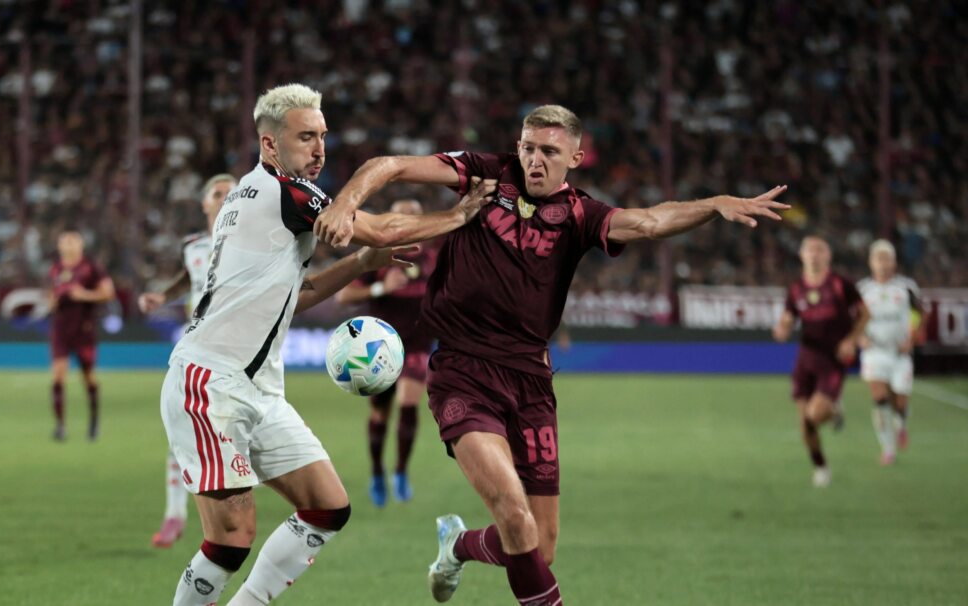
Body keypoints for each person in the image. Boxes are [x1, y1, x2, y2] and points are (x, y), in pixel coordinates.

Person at [314, 104, 789, 605]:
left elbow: (649, 222)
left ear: (576, 157)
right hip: (462, 374)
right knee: (515, 517)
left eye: (548, 151)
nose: (534, 160)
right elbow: (391, 165)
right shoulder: (485, 174)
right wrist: (345, 203)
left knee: (540, 543)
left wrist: (713, 203)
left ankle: (457, 545)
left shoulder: (582, 215)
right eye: (527, 147)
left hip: (531, 384)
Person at [159, 83, 496, 606]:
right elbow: (380, 228)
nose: (319, 149)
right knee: (230, 538)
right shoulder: (285, 192)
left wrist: (360, 266)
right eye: (305, 138)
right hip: (210, 381)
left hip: (258, 388)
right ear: (270, 145)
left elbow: (302, 291)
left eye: (322, 136)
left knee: (327, 506)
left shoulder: (260, 197)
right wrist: (456, 217)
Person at [139, 174, 237, 548]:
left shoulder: (257, 242)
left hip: (238, 350)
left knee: (234, 432)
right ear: (204, 204)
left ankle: (229, 508)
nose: (227, 196)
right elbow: (188, 278)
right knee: (181, 431)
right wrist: (160, 297)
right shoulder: (194, 246)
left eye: (234, 191)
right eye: (219, 192)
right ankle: (174, 514)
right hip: (196, 348)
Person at [335, 198, 439, 507]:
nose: (408, 223)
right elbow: (344, 296)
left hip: (418, 344)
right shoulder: (378, 258)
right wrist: (381, 289)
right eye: (402, 217)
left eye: (415, 217)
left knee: (409, 405)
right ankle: (378, 471)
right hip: (378, 348)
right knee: (380, 413)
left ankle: (401, 472)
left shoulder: (434, 259)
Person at [773, 236, 870, 487]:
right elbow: (788, 316)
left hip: (833, 359)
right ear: (802, 256)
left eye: (820, 250)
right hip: (806, 359)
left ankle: (833, 409)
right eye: (810, 250)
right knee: (804, 424)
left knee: (815, 414)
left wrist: (852, 339)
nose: (814, 255)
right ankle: (821, 467)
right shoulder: (796, 288)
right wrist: (782, 328)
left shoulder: (840, 284)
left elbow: (865, 313)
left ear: (828, 256)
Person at [857, 239, 925, 465]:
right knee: (879, 397)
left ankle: (902, 424)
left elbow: (920, 314)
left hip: (900, 353)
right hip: (874, 350)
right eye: (879, 259)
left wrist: (912, 339)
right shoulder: (862, 289)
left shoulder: (906, 287)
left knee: (900, 402)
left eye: (887, 259)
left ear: (894, 262)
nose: (883, 264)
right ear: (871, 262)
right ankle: (888, 449)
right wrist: (859, 337)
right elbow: (851, 319)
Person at [47, 230, 115, 441]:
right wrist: (53, 302)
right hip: (60, 328)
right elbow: (50, 297)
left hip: (84, 329)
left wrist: (84, 295)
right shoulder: (56, 269)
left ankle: (94, 421)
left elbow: (108, 292)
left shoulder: (91, 267)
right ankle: (60, 426)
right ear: (59, 246)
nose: (68, 244)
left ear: (80, 245)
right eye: (64, 241)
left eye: (72, 240)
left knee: (88, 377)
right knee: (58, 375)